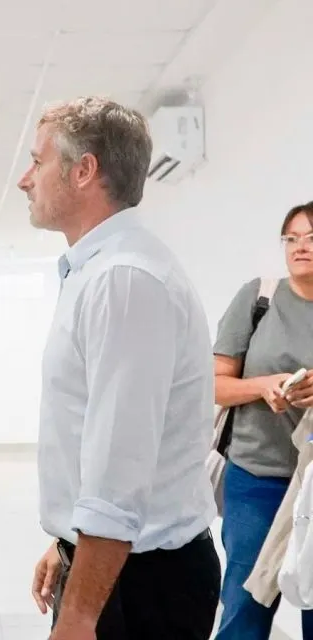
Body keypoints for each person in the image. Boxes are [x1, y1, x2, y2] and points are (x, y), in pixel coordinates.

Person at [17, 96, 221, 640]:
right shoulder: (101, 271)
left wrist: (80, 615)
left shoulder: (123, 279)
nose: (24, 180)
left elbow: (118, 470)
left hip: (141, 586)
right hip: (120, 567)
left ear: (83, 170)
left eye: (37, 162)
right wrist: (69, 544)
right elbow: (94, 438)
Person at [214, 202, 313, 639]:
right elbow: (214, 384)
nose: (300, 247)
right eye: (291, 238)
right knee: (245, 608)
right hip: (257, 479)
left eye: (311, 238)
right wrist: (262, 386)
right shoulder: (260, 297)